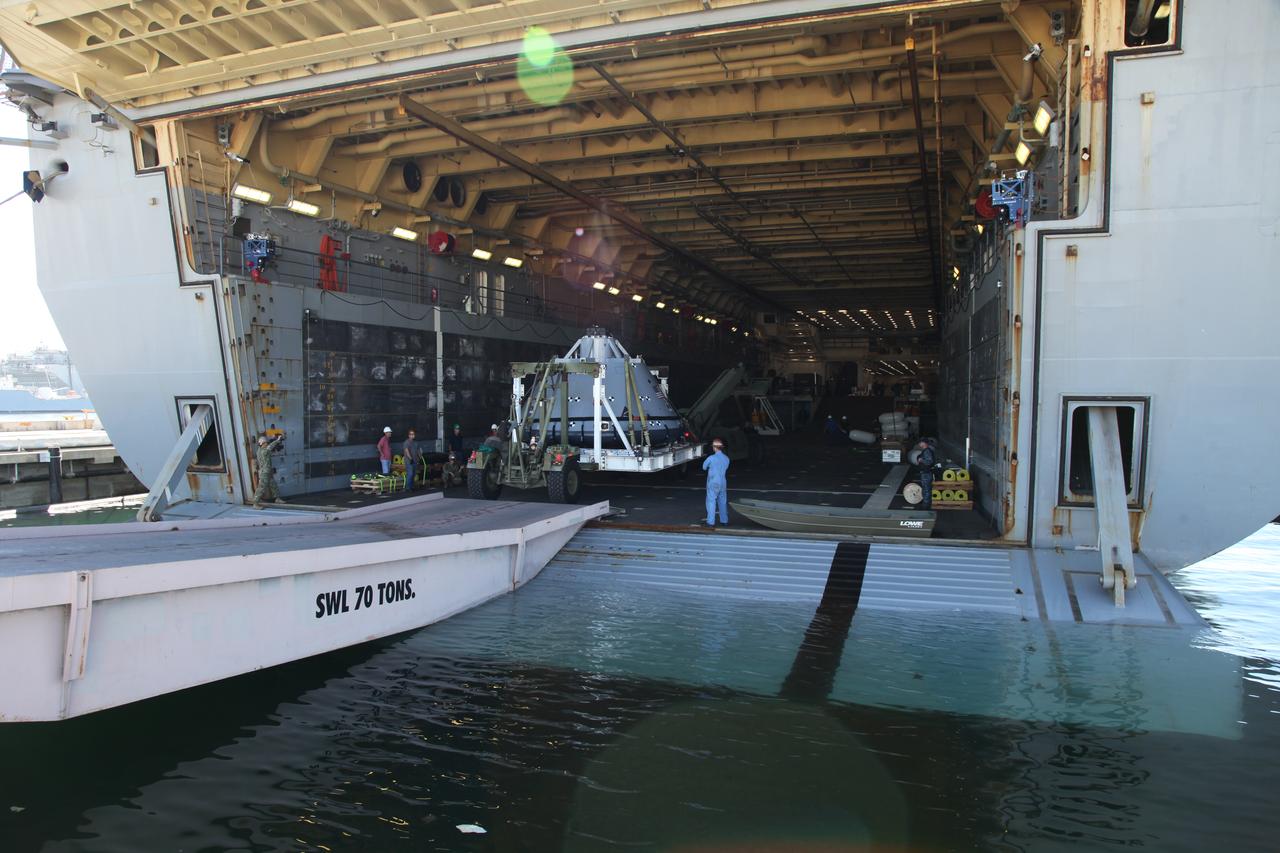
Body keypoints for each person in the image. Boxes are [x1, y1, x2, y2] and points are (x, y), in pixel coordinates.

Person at [701, 438, 730, 527]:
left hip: (713, 482)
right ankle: (724, 521)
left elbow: (704, 467)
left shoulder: (711, 458)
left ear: (714, 447)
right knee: (722, 501)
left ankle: (711, 522)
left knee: (711, 501)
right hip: (723, 482)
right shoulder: (726, 458)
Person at [253, 433, 285, 508]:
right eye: (266, 443)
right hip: (264, 473)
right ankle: (255, 503)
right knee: (261, 487)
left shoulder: (259, 450)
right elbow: (270, 447)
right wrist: (277, 440)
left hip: (267, 471)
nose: (267, 444)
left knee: (273, 484)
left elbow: (269, 447)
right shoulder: (264, 451)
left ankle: (277, 498)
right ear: (262, 444)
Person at [915, 440, 938, 510]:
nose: (919, 444)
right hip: (925, 473)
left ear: (924, 443)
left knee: (926, 489)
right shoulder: (926, 451)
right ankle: (925, 504)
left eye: (920, 443)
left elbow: (929, 462)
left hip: (926, 473)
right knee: (925, 489)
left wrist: (921, 460)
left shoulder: (927, 451)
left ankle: (926, 506)